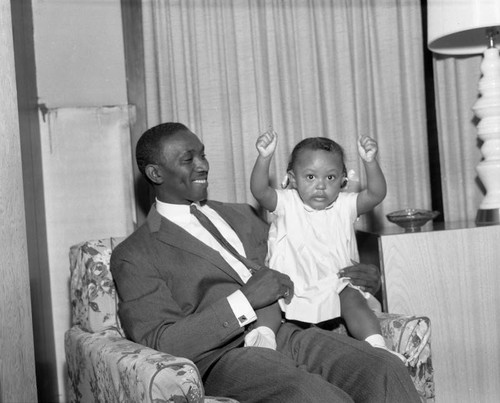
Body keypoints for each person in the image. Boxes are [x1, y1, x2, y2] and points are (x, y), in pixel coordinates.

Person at [110, 122, 420, 403]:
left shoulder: (241, 213)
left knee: (384, 367)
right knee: (313, 396)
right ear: (156, 173)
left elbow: (308, 254)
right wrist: (244, 301)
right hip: (225, 357)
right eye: (189, 159)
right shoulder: (135, 253)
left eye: (202, 154)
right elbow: (159, 340)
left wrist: (361, 277)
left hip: (289, 333)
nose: (203, 165)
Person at [250, 129, 400, 359]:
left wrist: (370, 162)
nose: (320, 185)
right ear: (292, 178)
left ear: (342, 179)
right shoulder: (286, 203)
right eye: (310, 177)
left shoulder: (346, 205)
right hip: (290, 282)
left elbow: (376, 194)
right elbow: (259, 190)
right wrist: (264, 158)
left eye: (329, 177)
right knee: (268, 299)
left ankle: (377, 346)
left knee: (353, 298)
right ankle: (263, 339)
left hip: (334, 283)